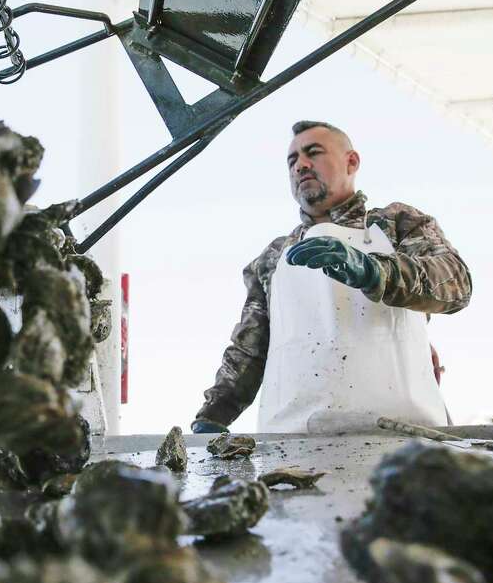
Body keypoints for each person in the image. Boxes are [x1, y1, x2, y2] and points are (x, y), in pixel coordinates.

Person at [191, 121, 472, 435]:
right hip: (295, 443)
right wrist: (213, 416)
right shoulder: (272, 258)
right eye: (292, 160)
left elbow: (456, 284)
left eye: (313, 152)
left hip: (405, 436)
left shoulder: (396, 224)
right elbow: (249, 352)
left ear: (351, 162)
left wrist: (375, 271)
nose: (301, 165)